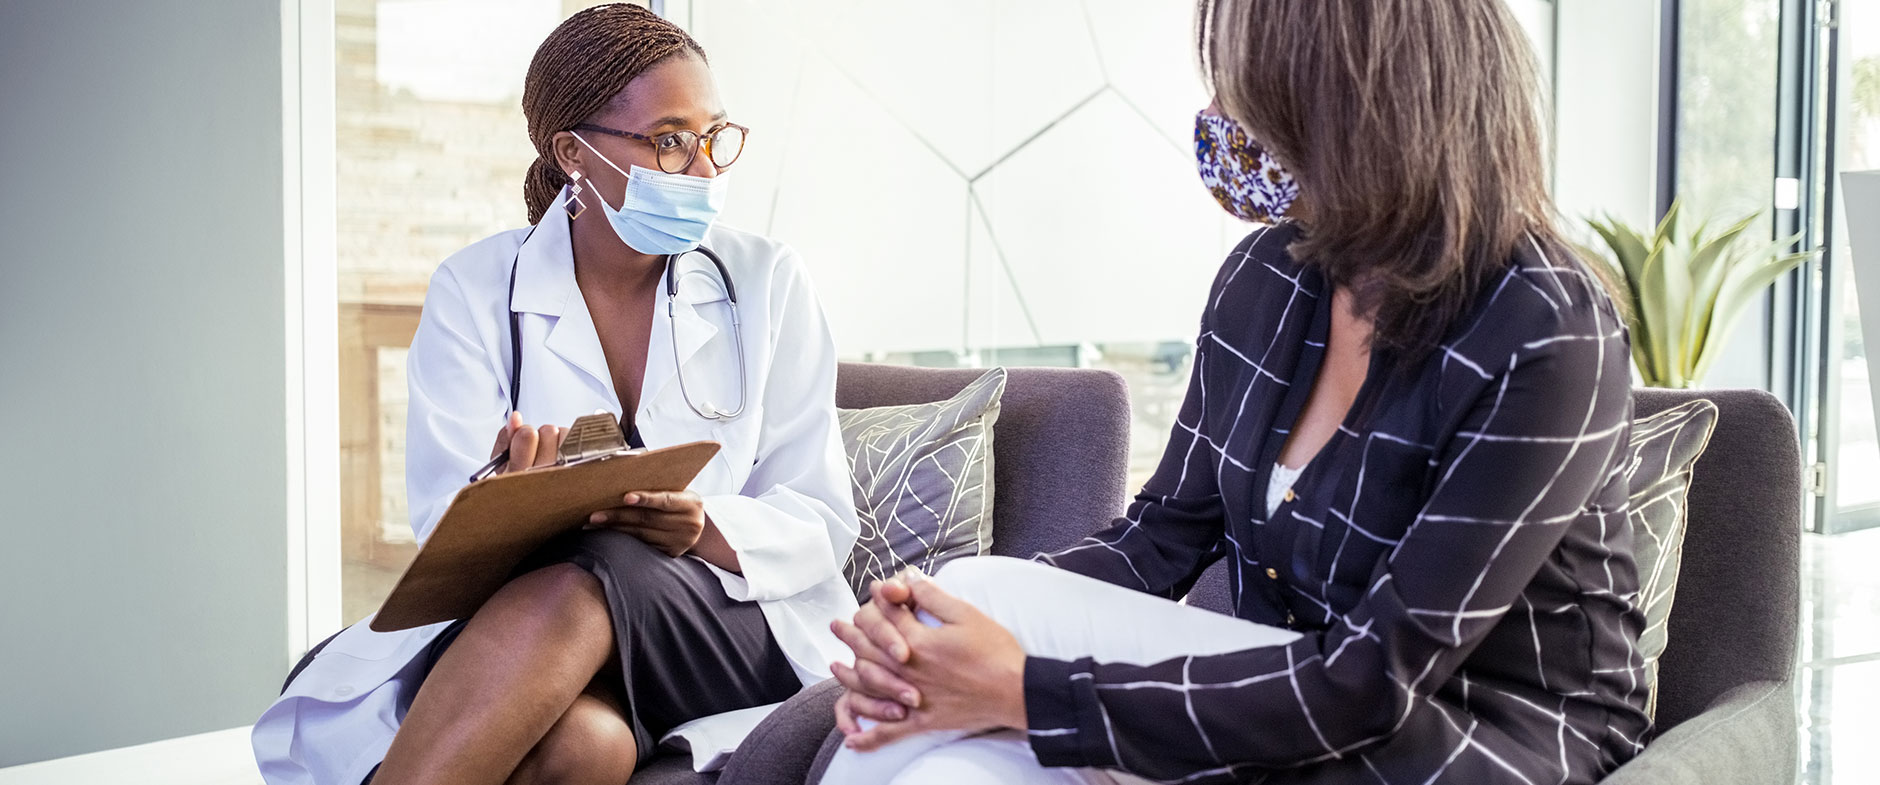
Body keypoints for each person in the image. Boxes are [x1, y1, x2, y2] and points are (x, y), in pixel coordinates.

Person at [822, 0, 1650, 783]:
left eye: (1249, 89)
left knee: (975, 625)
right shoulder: (1267, 279)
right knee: (951, 682)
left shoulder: (1548, 333)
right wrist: (945, 634)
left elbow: (1374, 678)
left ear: (1357, 105)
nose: (1222, 115)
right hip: (1277, 700)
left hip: (1466, 735)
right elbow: (1163, 536)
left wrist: (1026, 691)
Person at [252, 6, 859, 784]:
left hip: (734, 617)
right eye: (670, 142)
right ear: (573, 152)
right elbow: (442, 527)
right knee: (581, 748)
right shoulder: (475, 289)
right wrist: (506, 506)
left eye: (715, 137)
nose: (705, 170)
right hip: (546, 620)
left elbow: (820, 517)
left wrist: (703, 524)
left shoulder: (767, 280)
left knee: (593, 567)